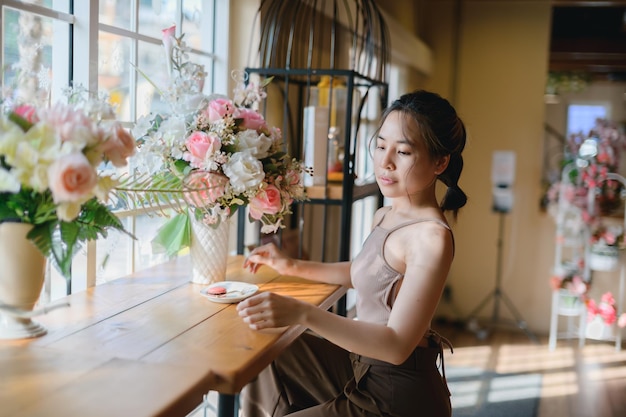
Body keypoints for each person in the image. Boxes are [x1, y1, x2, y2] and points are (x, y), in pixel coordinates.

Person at [236, 89, 468, 417]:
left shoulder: (431, 238)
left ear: (440, 162)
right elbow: (364, 272)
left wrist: (302, 313)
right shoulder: (386, 215)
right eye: (381, 145)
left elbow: (397, 345)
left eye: (402, 151)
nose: (385, 162)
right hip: (359, 364)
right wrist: (290, 265)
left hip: (395, 392)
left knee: (287, 339)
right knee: (269, 350)